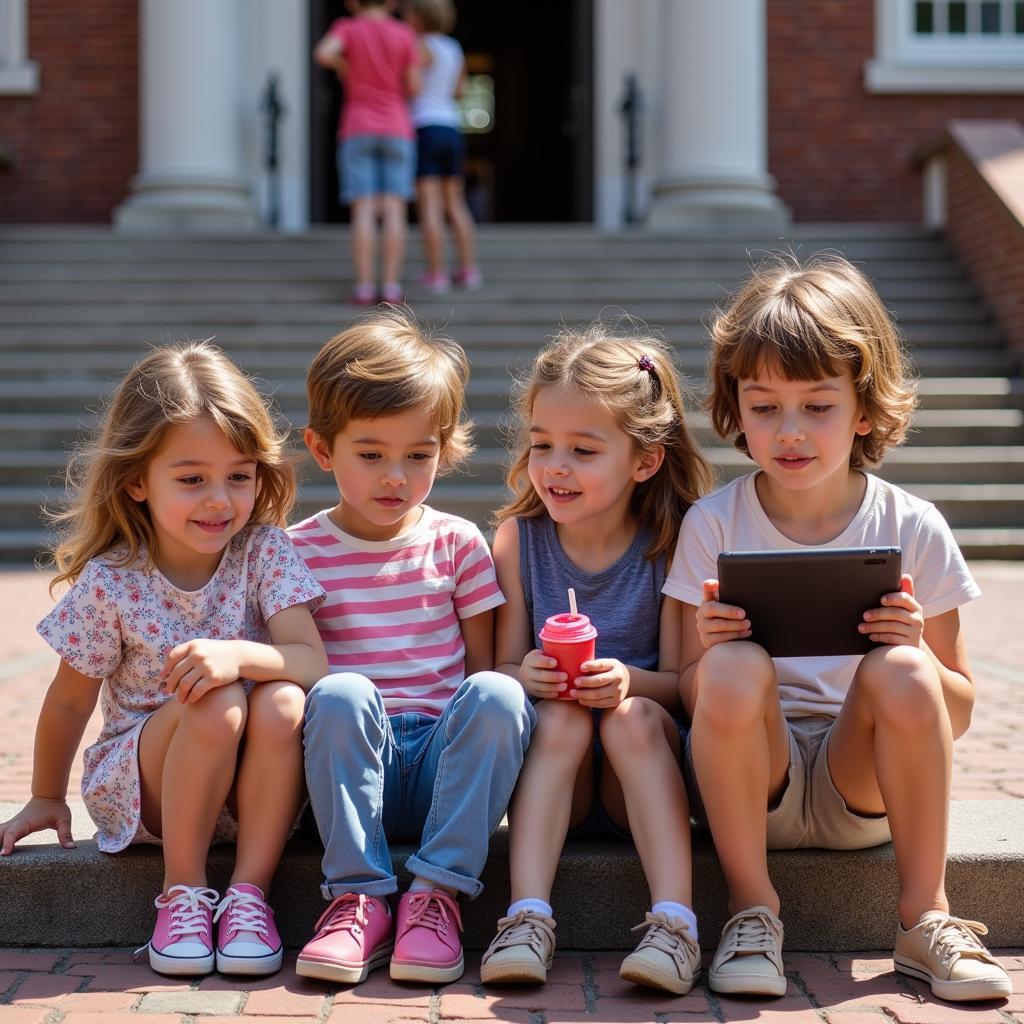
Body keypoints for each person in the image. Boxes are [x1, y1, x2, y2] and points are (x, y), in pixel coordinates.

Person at [665, 254, 1013, 1002]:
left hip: (864, 788)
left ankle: (926, 917)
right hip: (752, 780)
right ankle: (753, 911)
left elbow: (958, 710)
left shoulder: (912, 523)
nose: (789, 432)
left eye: (816, 406)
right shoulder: (712, 523)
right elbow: (687, 693)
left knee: (904, 669)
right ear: (736, 409)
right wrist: (716, 649)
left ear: (864, 408)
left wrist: (911, 644)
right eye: (764, 407)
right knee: (729, 668)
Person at [0, 343, 328, 978]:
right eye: (191, 478)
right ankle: (182, 893)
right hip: (146, 787)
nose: (219, 499)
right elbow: (70, 700)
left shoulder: (265, 551)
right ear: (136, 480)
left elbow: (311, 661)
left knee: (284, 696)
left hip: (256, 787)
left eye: (239, 475)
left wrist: (238, 654)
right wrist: (45, 795)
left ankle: (247, 897)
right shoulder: (113, 579)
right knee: (216, 697)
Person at [289, 307, 535, 986]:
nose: (395, 476)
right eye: (371, 455)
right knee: (338, 691)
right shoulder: (294, 553)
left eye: (419, 456)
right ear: (321, 449)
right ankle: (358, 896)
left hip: (439, 768)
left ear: (444, 448)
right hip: (345, 765)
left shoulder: (457, 542)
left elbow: (480, 679)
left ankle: (437, 895)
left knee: (498, 692)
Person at [478, 327, 715, 995]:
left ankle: (675, 923)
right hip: (565, 777)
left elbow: (680, 687)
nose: (555, 466)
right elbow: (499, 670)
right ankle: (526, 915)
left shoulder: (673, 542)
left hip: (644, 766)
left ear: (643, 461)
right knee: (560, 720)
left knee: (631, 717)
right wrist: (527, 675)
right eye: (541, 444)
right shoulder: (518, 541)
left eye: (583, 450)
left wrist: (626, 682)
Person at [314, 1, 421, 306]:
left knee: (363, 209)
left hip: (357, 126)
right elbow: (413, 86)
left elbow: (323, 53)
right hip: (397, 127)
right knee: (394, 208)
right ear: (391, 2)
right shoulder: (404, 33)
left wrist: (345, 66)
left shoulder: (347, 28)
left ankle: (363, 286)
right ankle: (389, 286)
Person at [404, 0, 482, 293]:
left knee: (430, 205)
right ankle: (468, 270)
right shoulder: (453, 47)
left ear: (417, 18)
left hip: (425, 126)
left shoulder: (418, 45)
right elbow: (459, 90)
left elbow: (411, 85)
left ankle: (436, 274)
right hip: (451, 127)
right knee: (456, 203)